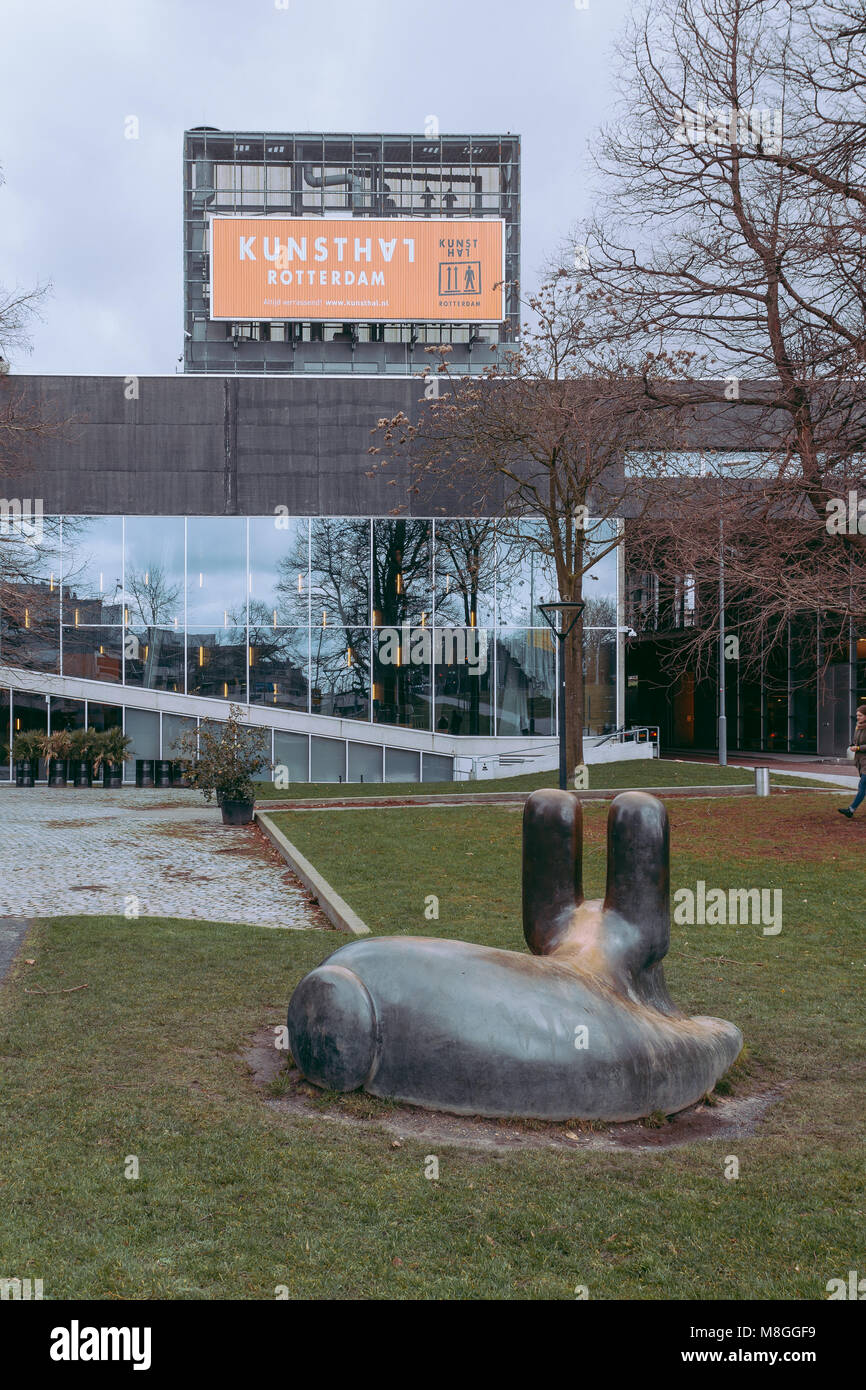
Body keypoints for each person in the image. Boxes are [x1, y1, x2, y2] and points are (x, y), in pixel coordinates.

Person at [838, 704, 866, 818]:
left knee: (863, 785)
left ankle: (851, 810)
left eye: (860, 715)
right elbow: (856, 740)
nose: (858, 717)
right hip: (860, 761)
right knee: (863, 786)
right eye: (857, 715)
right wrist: (853, 745)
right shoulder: (858, 726)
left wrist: (858, 748)